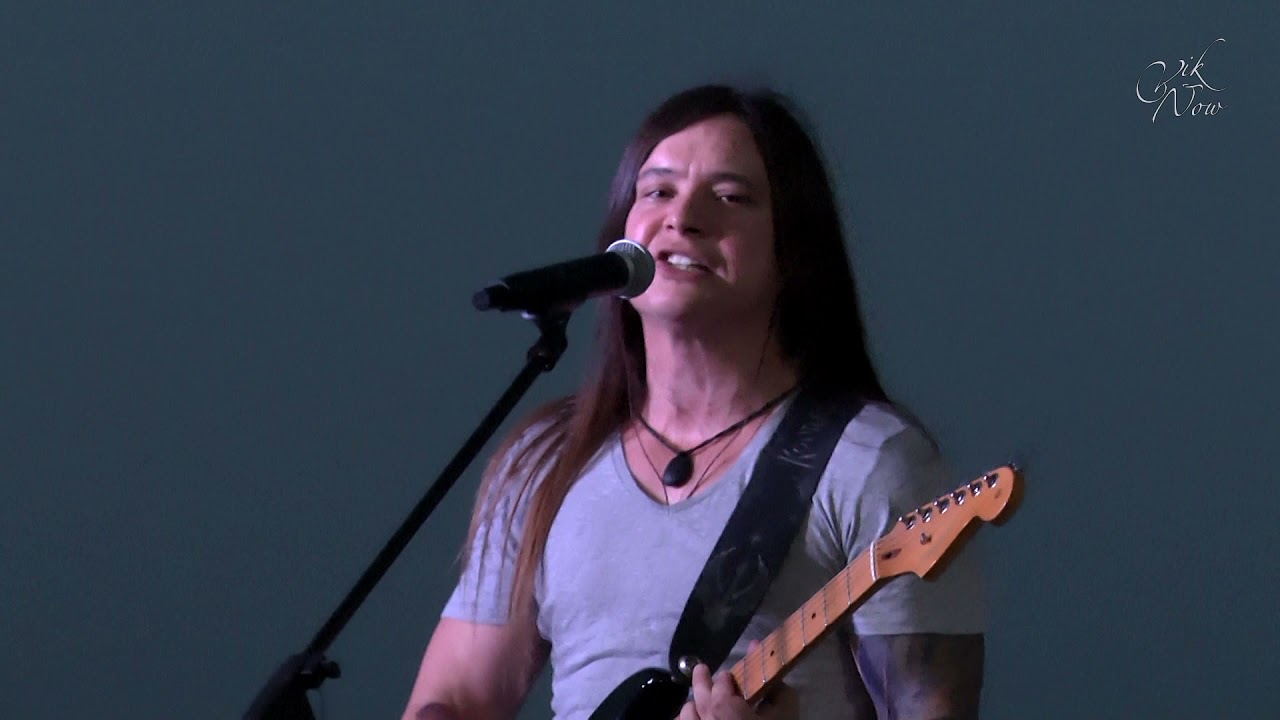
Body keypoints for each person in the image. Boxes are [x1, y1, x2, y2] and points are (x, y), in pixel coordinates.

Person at [402, 84, 986, 719]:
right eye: (657, 192)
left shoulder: (872, 463)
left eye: (730, 197)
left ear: (793, 251)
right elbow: (453, 697)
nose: (682, 218)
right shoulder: (547, 462)